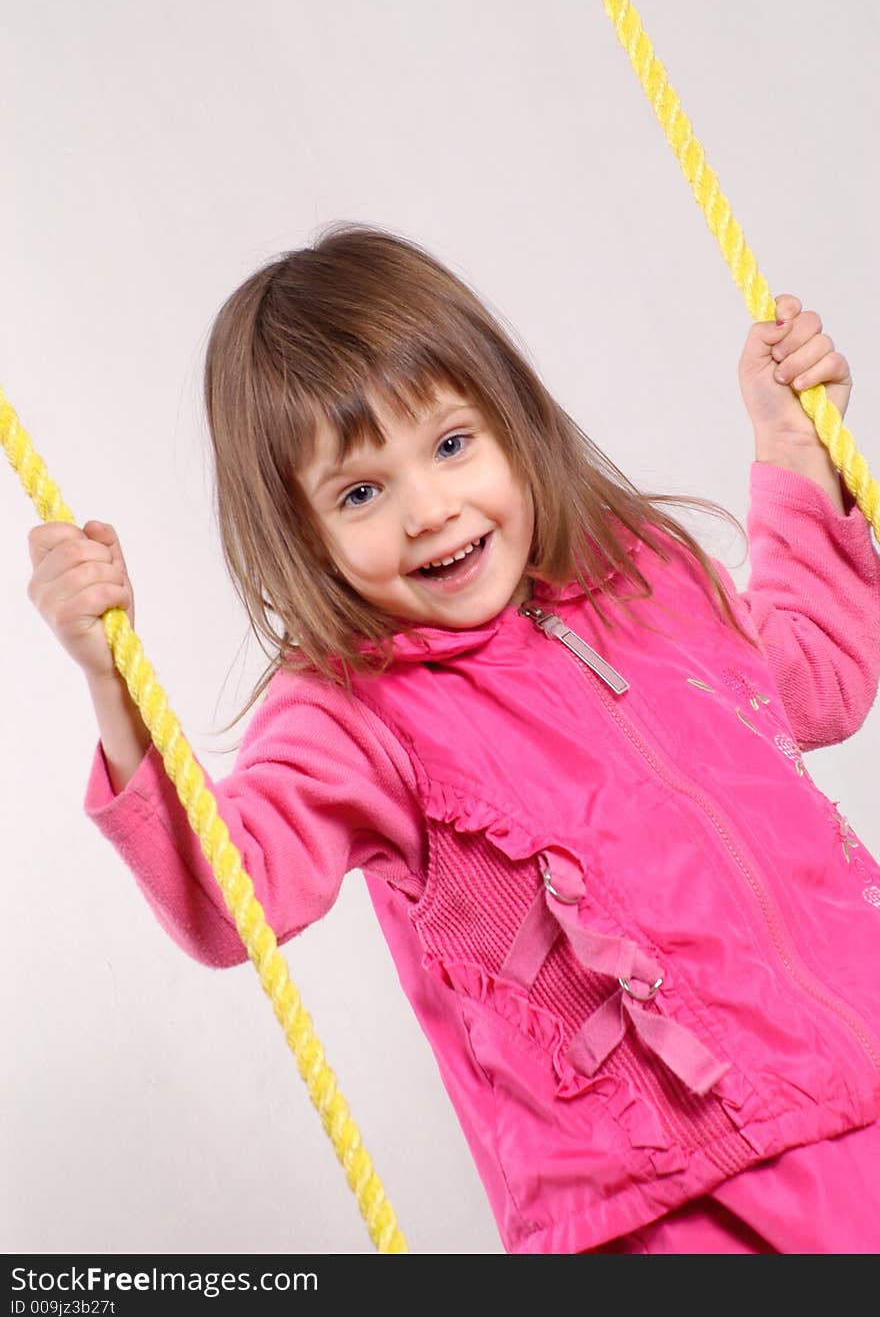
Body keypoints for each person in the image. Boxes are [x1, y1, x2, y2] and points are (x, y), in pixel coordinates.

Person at [26, 224, 880, 1254]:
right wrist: (113, 682)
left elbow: (815, 681)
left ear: (511, 422)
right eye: (359, 493)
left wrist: (791, 453)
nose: (429, 510)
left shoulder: (643, 576)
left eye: (450, 444)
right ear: (301, 536)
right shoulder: (353, 716)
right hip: (670, 1203)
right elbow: (230, 898)